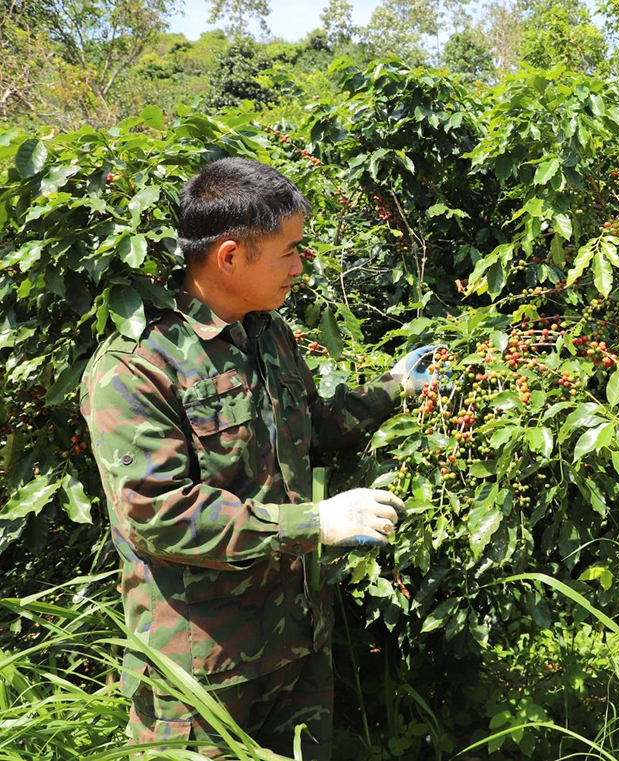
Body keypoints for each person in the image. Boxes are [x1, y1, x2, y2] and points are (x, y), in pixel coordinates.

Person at [81, 157, 431, 759]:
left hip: (296, 647)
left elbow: (309, 427)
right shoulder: (137, 368)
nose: (301, 266)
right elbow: (157, 514)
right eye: (289, 251)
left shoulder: (266, 333)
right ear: (229, 256)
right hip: (204, 674)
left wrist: (393, 389)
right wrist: (315, 522)